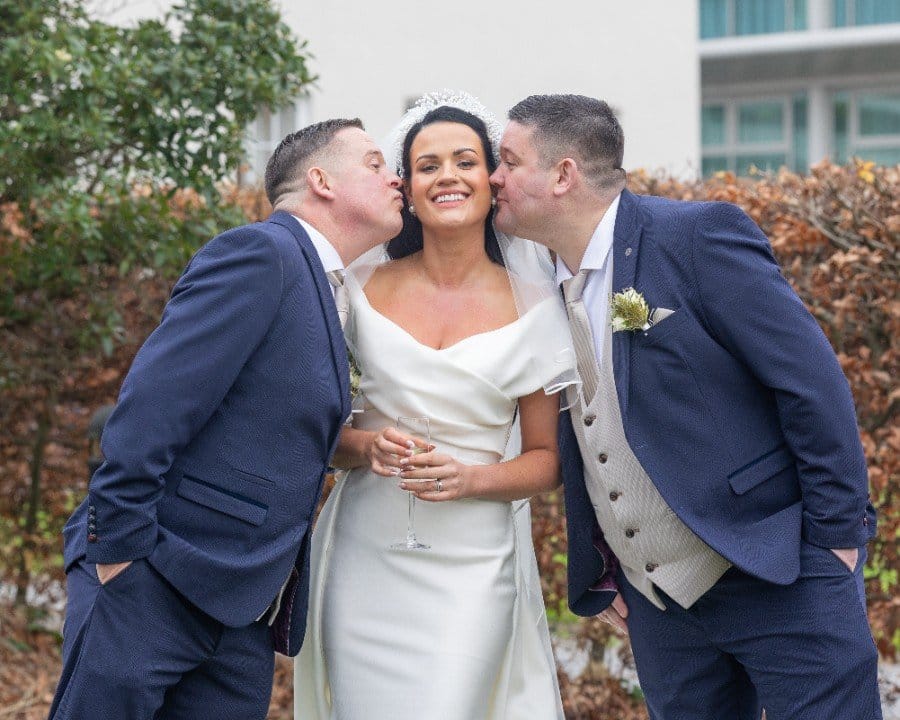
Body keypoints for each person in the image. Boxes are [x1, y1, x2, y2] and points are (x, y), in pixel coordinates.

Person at [489, 92, 882, 719]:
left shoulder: (696, 236)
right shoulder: (538, 285)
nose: (492, 177)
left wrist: (835, 546)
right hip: (660, 605)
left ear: (563, 175)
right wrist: (609, 564)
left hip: (778, 569)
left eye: (507, 161)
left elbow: (811, 384)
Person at [48, 119, 403, 719]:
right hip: (155, 576)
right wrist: (119, 555)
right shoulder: (262, 253)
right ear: (321, 180)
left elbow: (278, 428)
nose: (394, 177)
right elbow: (151, 408)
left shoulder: (334, 291)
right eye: (373, 163)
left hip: (243, 610)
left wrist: (363, 448)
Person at [293, 92, 575, 719]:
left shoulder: (538, 309)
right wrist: (362, 446)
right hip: (363, 555)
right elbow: (308, 422)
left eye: (465, 161)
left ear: (490, 181)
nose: (447, 176)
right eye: (427, 165)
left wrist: (471, 477)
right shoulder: (354, 289)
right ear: (409, 189)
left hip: (473, 568)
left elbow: (546, 460)